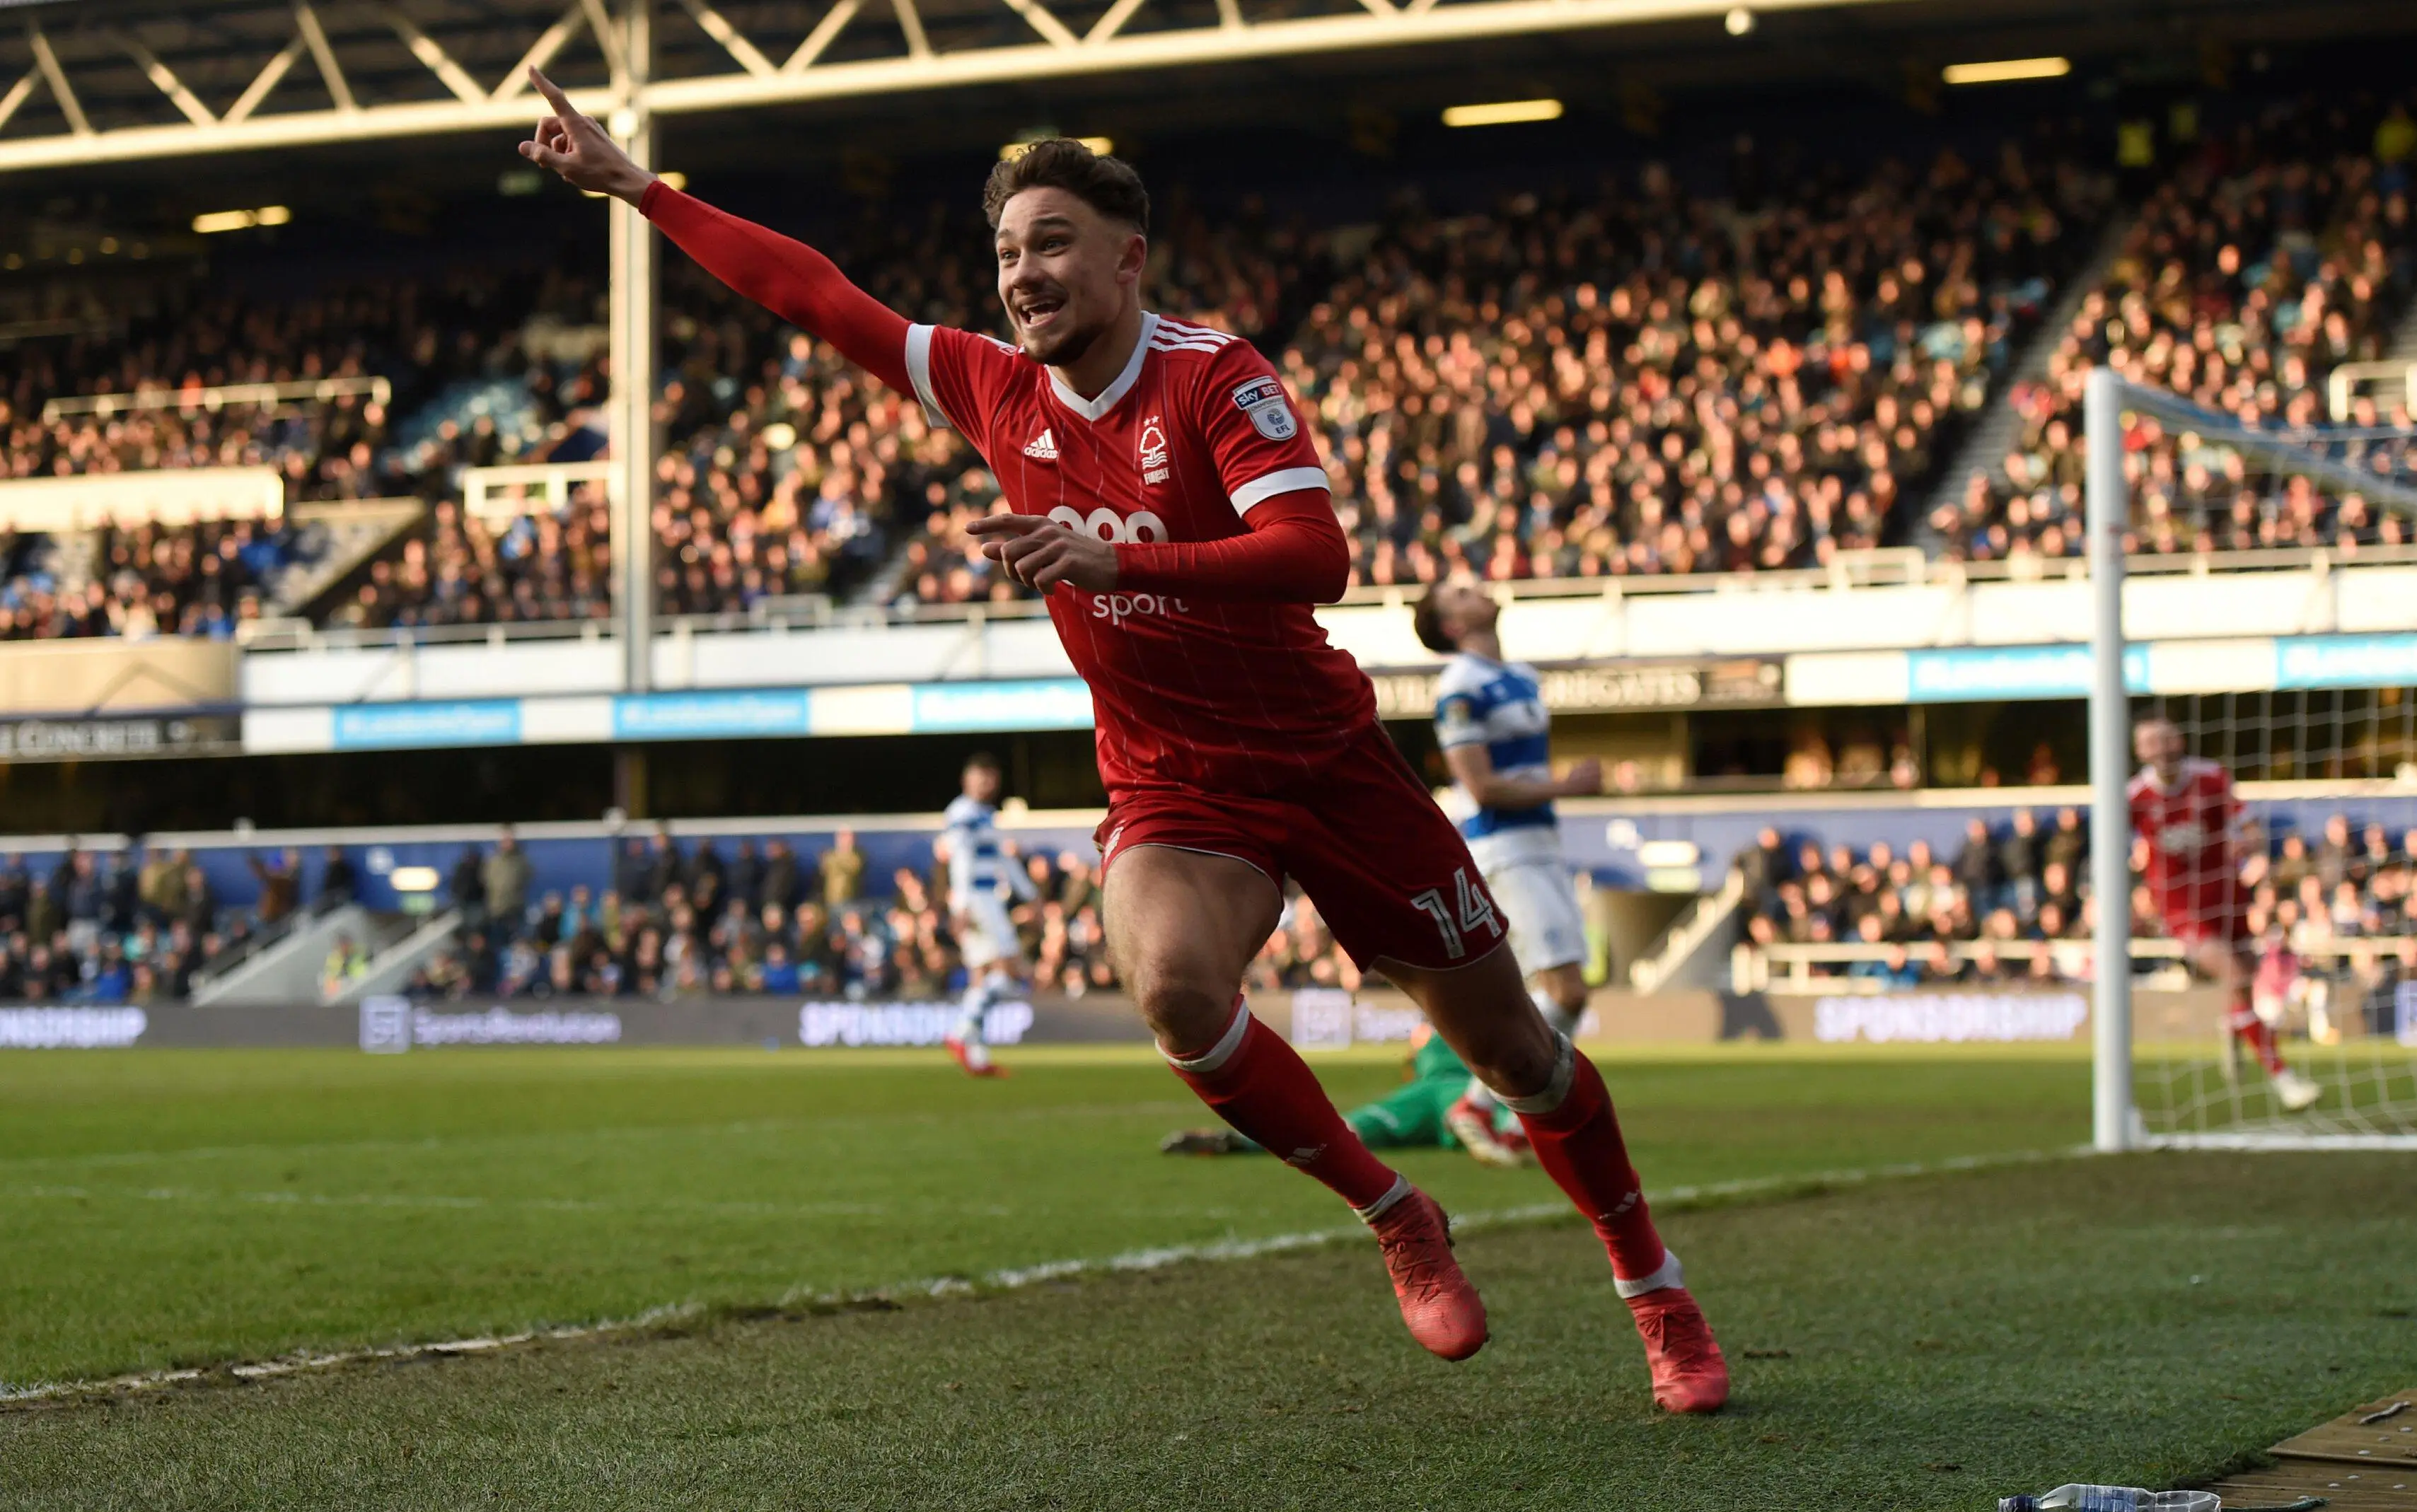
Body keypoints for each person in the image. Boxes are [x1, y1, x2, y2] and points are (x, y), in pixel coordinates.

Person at [518, 79, 1727, 1412]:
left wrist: (1112, 554)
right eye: (1005, 255)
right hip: (1175, 783)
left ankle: (1652, 1286)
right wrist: (641, 189)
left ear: (1124, 257)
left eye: (1048, 244)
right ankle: (1394, 1211)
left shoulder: (1218, 376)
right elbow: (815, 296)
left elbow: (1315, 557)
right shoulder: (992, 388)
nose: (1022, 277)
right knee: (1173, 990)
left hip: (1327, 762)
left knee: (1521, 1055)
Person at [1412, 581, 1604, 1145]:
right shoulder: (1459, 687)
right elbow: (1481, 786)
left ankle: (1511, 1111)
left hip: (1541, 841)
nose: (1478, 592)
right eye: (1461, 595)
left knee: (1558, 989)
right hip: (1505, 847)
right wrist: (1565, 785)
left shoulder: (1522, 675)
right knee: (1566, 990)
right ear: (1452, 627)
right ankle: (1483, 1104)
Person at [2128, 712, 2321, 1111]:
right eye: (2150, 743)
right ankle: (2284, 1080)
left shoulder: (2212, 778)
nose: (2160, 750)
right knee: (2234, 974)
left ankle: (2234, 1023)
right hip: (2179, 905)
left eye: (2165, 739)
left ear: (2178, 741)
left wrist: (2247, 845)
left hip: (2227, 895)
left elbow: (2251, 831)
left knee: (2244, 982)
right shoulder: (2134, 798)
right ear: (2139, 752)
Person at [1164, 1027, 1531, 1167]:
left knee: (1344, 1131)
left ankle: (1244, 1143)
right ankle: (1492, 1130)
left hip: (1424, 1096)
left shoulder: (1429, 1035)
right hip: (1465, 1090)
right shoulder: (1465, 1022)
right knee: (1509, 1120)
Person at [939, 753, 1037, 1077]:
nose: (987, 784)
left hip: (983, 898)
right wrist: (962, 905)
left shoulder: (983, 815)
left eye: (991, 778)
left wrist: (1029, 894)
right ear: (966, 780)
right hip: (978, 900)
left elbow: (1001, 859)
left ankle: (976, 1056)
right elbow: (960, 859)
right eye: (981, 777)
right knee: (1009, 971)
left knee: (980, 974)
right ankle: (960, 1032)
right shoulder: (963, 813)